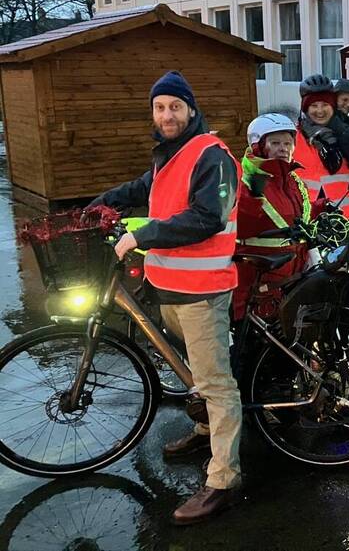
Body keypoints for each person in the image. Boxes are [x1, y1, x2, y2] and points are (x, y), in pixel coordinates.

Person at [89, 71, 243, 525]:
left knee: (216, 384)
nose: (167, 114)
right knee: (193, 371)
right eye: (159, 107)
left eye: (175, 106)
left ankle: (223, 479)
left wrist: (142, 236)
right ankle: (204, 430)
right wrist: (99, 205)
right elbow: (141, 190)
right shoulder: (167, 155)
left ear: (191, 111)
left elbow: (207, 217)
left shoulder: (212, 155)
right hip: (169, 287)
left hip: (203, 291)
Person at [233, 113, 315, 320]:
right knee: (258, 338)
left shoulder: (292, 179)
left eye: (288, 143)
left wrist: (322, 208)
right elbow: (240, 224)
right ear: (258, 146)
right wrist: (252, 200)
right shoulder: (245, 180)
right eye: (275, 142)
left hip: (293, 274)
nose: (283, 148)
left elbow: (296, 213)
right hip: (258, 279)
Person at [295, 74, 349, 220]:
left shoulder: (346, 130)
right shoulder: (294, 135)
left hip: (342, 214)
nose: (320, 111)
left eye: (325, 105)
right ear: (305, 108)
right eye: (314, 106)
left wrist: (341, 129)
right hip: (305, 215)